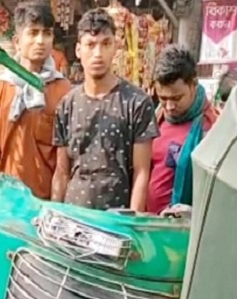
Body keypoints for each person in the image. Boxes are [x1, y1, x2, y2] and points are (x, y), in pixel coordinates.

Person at [52, 8, 158, 211]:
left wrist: (131, 224)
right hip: (74, 219)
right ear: (78, 50)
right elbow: (62, 171)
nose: (98, 54)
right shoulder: (67, 105)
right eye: (90, 45)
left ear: (115, 47)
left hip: (116, 221)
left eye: (106, 44)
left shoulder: (137, 102)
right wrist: (54, 215)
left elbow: (142, 172)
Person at [0, 1, 72, 199]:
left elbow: (63, 164)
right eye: (33, 33)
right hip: (7, 201)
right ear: (17, 41)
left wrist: (55, 208)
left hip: (46, 203)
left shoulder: (64, 91)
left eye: (47, 33)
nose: (40, 41)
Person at [147, 45, 220, 214]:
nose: (170, 106)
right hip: (147, 224)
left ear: (193, 85)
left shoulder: (211, 129)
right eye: (163, 98)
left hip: (181, 230)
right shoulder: (156, 117)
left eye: (176, 98)